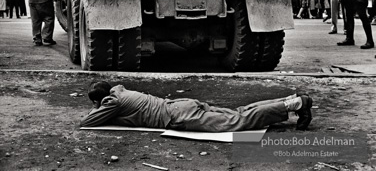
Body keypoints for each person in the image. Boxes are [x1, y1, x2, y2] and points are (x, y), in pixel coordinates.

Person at [80, 81, 313, 131]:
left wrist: (96, 108)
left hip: (178, 116)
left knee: (239, 121)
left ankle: (296, 103)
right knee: (238, 113)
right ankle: (291, 100)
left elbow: (87, 122)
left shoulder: (112, 102)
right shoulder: (120, 91)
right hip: (181, 104)